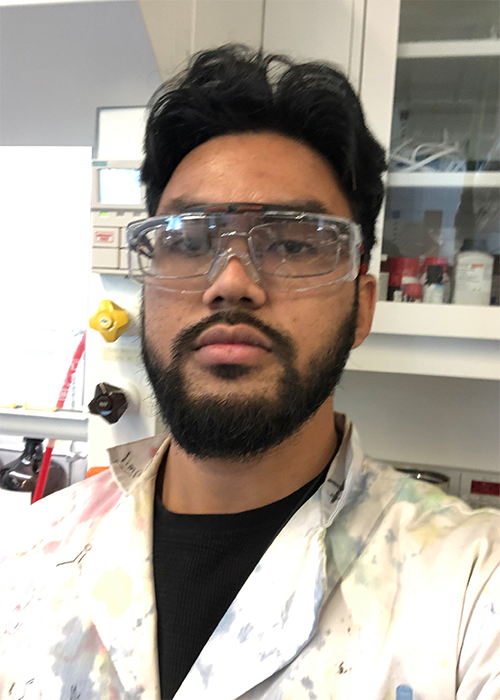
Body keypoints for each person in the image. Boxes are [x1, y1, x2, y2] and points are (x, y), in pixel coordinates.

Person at [1, 45, 499, 700]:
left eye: (293, 243)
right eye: (188, 240)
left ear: (361, 307)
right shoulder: (31, 558)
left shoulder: (468, 588)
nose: (231, 282)